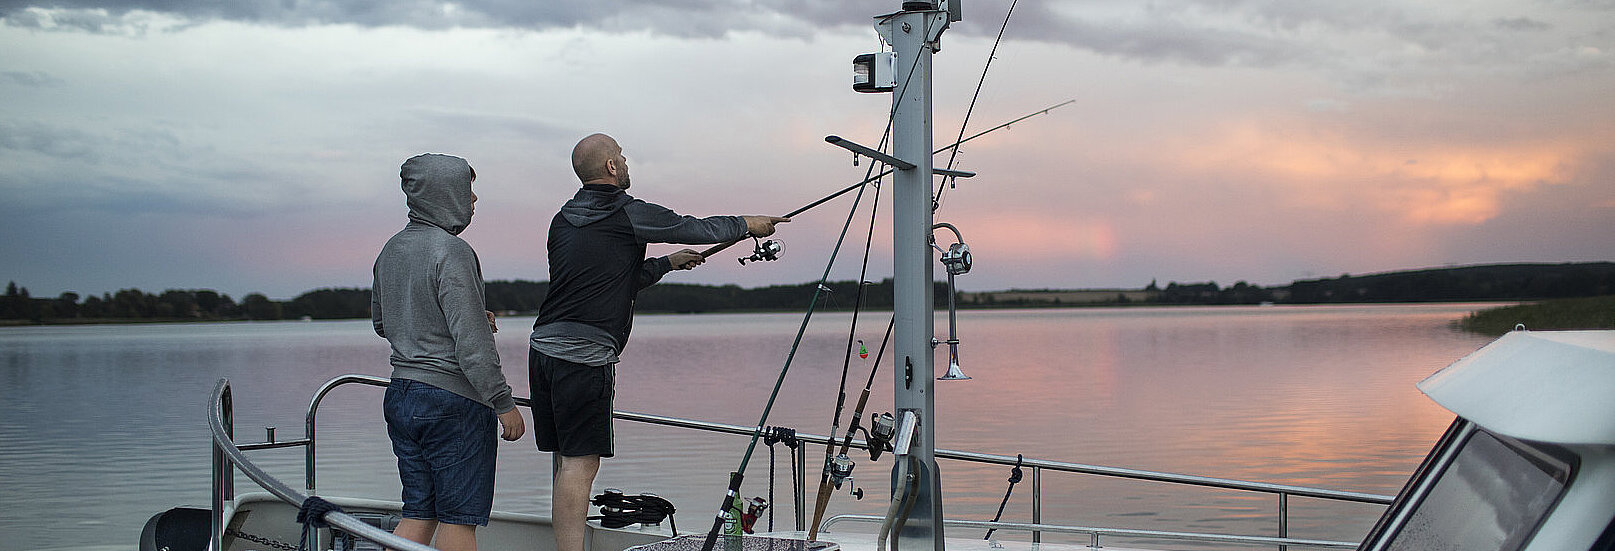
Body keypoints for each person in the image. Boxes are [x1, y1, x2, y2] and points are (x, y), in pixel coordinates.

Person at [530, 133, 788, 551]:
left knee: (566, 463)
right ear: (611, 167)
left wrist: (666, 263)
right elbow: (692, 227)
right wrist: (746, 225)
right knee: (580, 466)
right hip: (584, 357)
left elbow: (611, 281)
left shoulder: (562, 220)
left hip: (542, 350)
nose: (625, 161)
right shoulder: (628, 211)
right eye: (621, 155)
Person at [372, 153, 526, 551]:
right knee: (459, 520)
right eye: (466, 190)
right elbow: (472, 345)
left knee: (418, 513)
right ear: (444, 194)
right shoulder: (453, 251)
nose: (474, 199)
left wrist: (451, 317)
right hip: (453, 404)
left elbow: (383, 323)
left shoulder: (390, 250)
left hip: (402, 396)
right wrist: (502, 402)